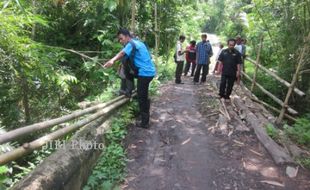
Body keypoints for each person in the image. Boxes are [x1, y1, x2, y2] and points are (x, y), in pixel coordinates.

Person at [103, 29, 156, 128]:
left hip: (145, 74)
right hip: (147, 72)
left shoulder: (131, 44)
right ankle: (129, 90)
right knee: (125, 67)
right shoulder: (138, 43)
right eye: (119, 39)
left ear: (127, 36)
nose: (120, 41)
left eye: (121, 38)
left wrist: (112, 60)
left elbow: (122, 53)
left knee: (142, 97)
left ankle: (145, 123)